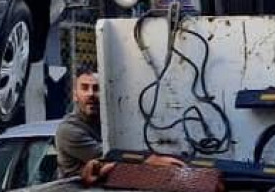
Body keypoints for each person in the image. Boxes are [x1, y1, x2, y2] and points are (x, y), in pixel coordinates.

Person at [55, 68, 184, 181]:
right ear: (75, 95)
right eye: (84, 88)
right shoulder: (68, 130)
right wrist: (148, 160)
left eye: (96, 88)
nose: (91, 94)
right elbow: (108, 156)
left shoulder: (110, 123)